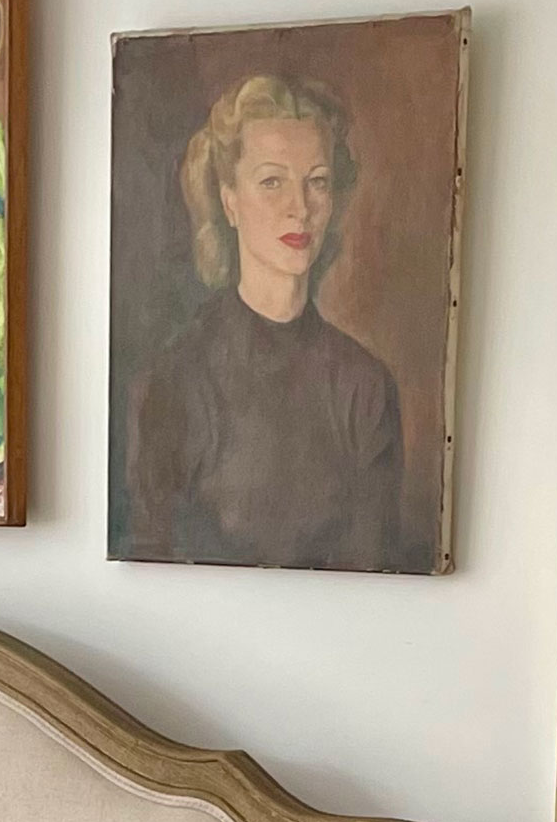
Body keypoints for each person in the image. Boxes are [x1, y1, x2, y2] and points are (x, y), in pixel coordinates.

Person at [122, 74, 408, 572]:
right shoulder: (175, 382)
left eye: (316, 181)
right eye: (272, 181)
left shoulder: (364, 387)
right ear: (229, 199)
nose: (299, 208)